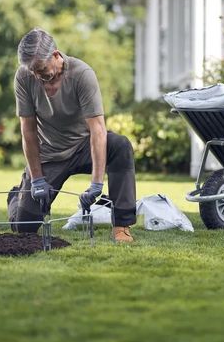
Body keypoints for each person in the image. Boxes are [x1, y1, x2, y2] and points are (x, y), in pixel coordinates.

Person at [8, 28, 136, 242]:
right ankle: (17, 195)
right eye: (33, 72)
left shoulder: (81, 74)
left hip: (83, 147)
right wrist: (37, 180)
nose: (37, 76)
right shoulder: (24, 77)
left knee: (120, 146)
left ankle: (122, 226)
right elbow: (28, 130)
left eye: (41, 69)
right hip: (50, 153)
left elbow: (97, 129)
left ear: (56, 55)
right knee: (24, 228)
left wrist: (96, 184)